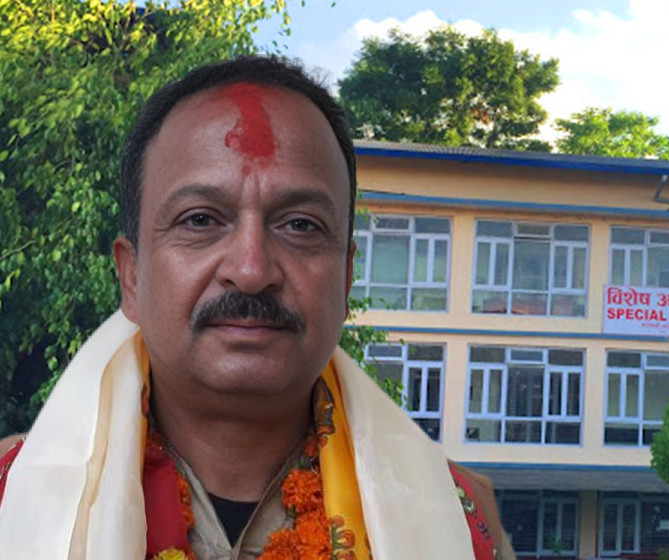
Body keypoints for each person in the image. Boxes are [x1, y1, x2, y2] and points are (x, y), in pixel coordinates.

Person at [0, 56, 514, 560]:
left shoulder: (458, 516)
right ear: (131, 275)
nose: (250, 270)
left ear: (346, 277)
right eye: (200, 220)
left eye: (300, 225)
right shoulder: (16, 492)